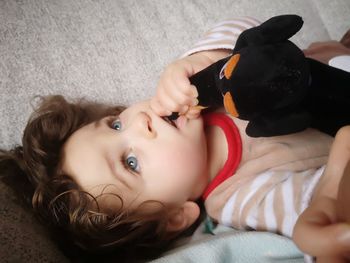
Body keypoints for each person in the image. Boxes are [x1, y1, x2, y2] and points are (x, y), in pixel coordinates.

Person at [0, 16, 349, 262]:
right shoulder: (241, 199)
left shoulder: (191, 88)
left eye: (114, 125)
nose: (140, 122)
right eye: (131, 163)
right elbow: (316, 201)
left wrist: (203, 63)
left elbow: (247, 28)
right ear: (175, 218)